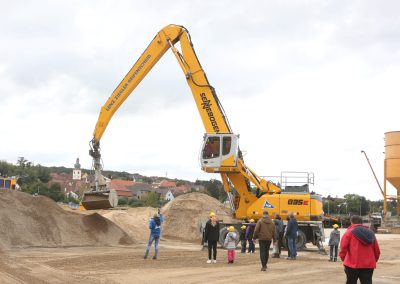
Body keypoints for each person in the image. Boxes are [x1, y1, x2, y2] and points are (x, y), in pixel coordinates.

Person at [339, 215, 380, 284]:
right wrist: (372, 261)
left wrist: (344, 259)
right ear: (361, 223)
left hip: (351, 264)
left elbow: (343, 248)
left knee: (351, 282)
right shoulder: (370, 233)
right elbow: (377, 251)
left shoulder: (349, 232)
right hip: (368, 265)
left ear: (351, 222)